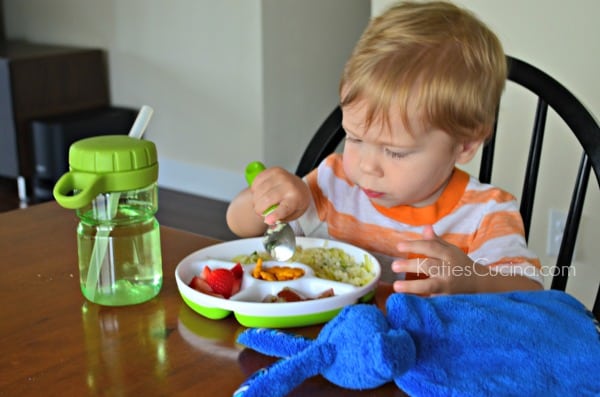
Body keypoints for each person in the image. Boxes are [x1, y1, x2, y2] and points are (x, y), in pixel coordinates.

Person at [226, 0, 543, 295]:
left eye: (395, 152)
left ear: (465, 145)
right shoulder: (332, 184)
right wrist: (265, 198)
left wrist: (474, 279)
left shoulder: (485, 215)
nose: (367, 166)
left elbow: (531, 295)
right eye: (355, 138)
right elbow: (239, 225)